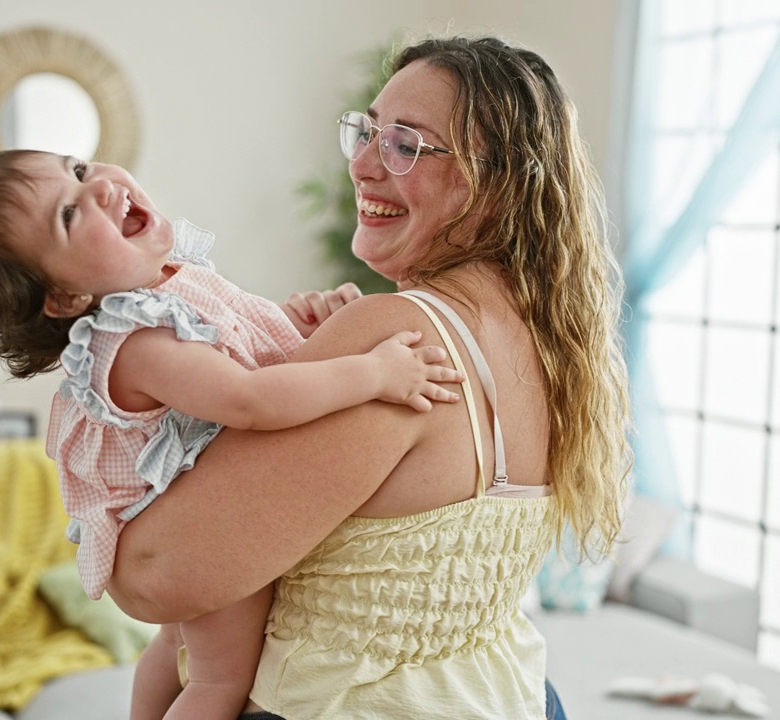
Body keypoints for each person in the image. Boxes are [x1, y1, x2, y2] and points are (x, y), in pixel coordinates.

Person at [103, 35, 633, 720]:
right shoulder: (550, 344)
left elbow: (154, 578)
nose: (361, 164)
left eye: (406, 145)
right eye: (368, 132)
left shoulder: (397, 338)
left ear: (495, 182)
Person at [0, 151, 467, 719]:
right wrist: (373, 374)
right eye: (71, 213)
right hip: (196, 528)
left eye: (77, 169)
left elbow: (243, 347)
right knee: (220, 679)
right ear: (65, 296)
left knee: (170, 649)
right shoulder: (134, 338)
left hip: (189, 511)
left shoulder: (168, 284)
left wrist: (300, 324)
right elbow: (249, 401)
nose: (98, 185)